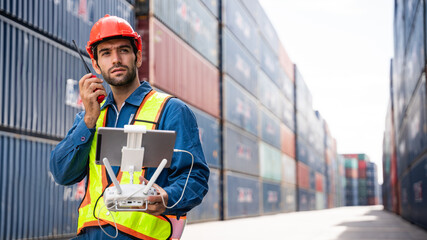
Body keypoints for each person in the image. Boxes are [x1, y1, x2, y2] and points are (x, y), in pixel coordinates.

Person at [50, 15, 210, 240]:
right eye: (106, 53)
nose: (115, 59)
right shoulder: (90, 117)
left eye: (123, 50)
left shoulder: (171, 110)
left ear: (138, 57)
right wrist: (88, 121)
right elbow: (61, 173)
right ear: (95, 64)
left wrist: (167, 198)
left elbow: (195, 176)